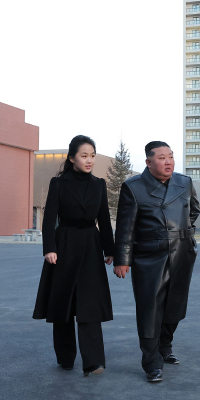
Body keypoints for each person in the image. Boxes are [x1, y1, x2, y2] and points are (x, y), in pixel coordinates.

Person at [114, 141, 200, 382]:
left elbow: (193, 212)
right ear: (148, 162)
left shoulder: (184, 182)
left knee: (175, 305)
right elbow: (125, 227)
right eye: (162, 158)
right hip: (149, 255)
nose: (168, 162)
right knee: (149, 308)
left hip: (181, 252)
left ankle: (165, 346)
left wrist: (181, 234)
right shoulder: (134, 187)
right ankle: (151, 362)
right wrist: (122, 259)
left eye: (170, 156)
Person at [33, 135, 114, 377]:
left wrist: (110, 250)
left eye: (92, 156)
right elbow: (49, 219)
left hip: (91, 245)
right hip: (64, 245)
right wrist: (49, 248)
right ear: (71, 158)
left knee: (90, 303)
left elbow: (104, 220)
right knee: (64, 303)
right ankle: (66, 357)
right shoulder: (59, 183)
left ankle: (94, 362)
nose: (89, 160)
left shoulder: (99, 184)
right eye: (84, 155)